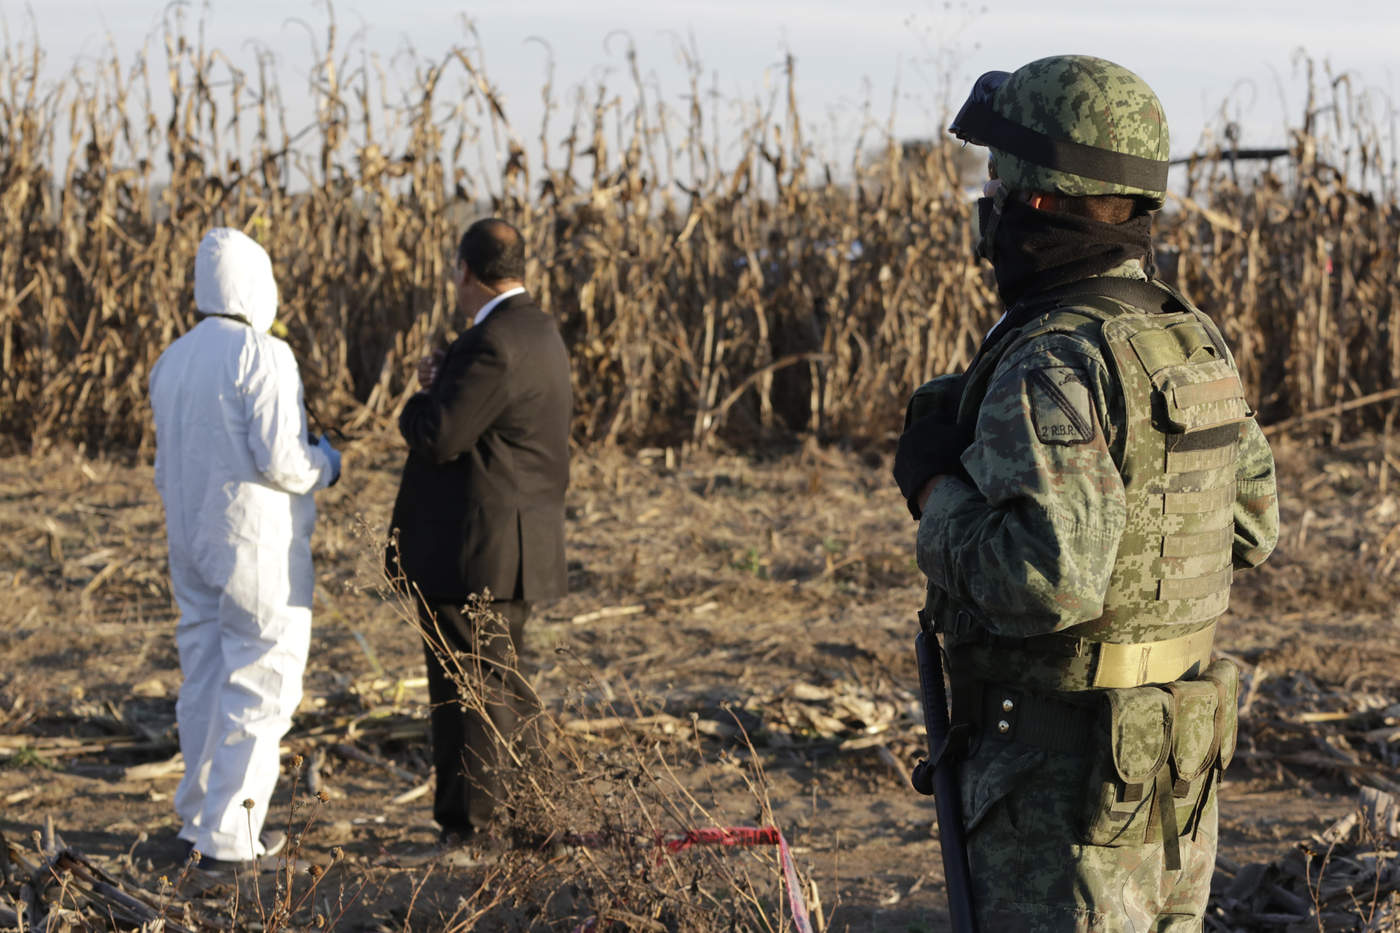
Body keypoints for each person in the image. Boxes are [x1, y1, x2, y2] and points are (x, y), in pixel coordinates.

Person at [893, 56, 1280, 930]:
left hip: (1057, 799)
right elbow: (1255, 526)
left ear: (1035, 201)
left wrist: (933, 489)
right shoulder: (1188, 337)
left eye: (997, 179)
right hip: (1169, 779)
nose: (986, 200)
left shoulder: (1049, 359)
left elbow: (1046, 579)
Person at [150, 227, 341, 872]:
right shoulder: (263, 354)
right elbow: (284, 462)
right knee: (262, 680)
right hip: (255, 547)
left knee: (203, 676)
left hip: (191, 542)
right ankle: (231, 839)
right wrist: (329, 462)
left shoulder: (172, 360)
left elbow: (164, 463)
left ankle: (198, 820)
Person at [387, 218, 571, 848]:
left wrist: (419, 398)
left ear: (465, 271)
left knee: (469, 692)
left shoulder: (491, 341)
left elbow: (440, 435)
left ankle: (471, 830)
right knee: (499, 685)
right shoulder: (538, 330)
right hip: (512, 548)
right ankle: (531, 815)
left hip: (476, 554)